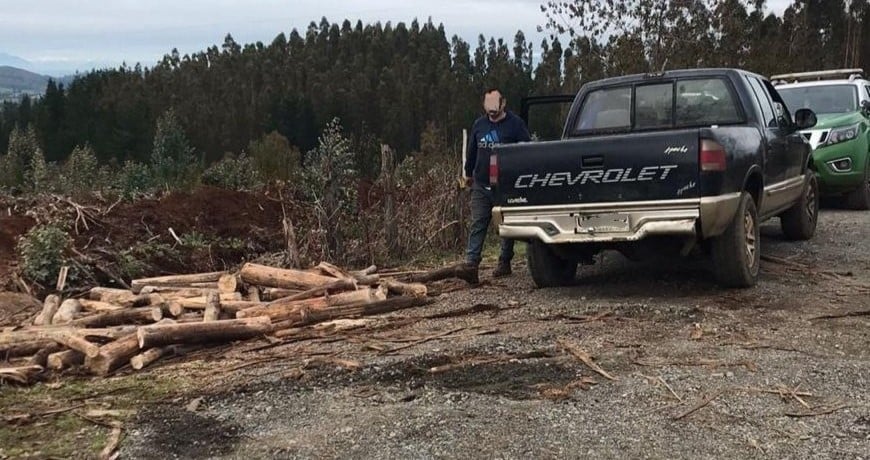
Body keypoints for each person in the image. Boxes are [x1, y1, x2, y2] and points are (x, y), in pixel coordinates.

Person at [464, 88, 531, 278]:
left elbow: (526, 149)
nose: (492, 108)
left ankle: (504, 261)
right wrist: (468, 174)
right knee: (478, 223)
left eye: (495, 103)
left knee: (505, 225)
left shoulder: (515, 124)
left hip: (505, 184)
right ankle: (471, 264)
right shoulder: (479, 125)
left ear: (503, 103)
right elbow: (472, 151)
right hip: (481, 182)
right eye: (488, 104)